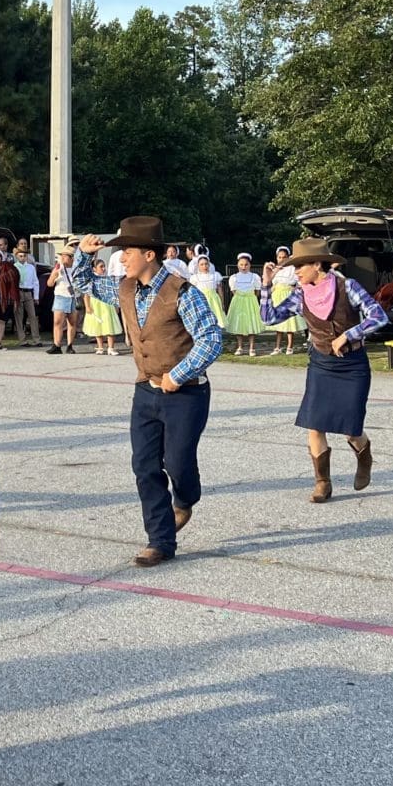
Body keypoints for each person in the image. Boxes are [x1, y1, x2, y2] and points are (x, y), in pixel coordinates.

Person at [74, 217, 223, 566]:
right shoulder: (124, 288)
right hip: (146, 391)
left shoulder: (182, 291)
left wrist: (179, 373)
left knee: (178, 464)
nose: (122, 259)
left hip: (186, 394)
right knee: (144, 466)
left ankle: (185, 499)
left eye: (127, 251)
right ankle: (160, 540)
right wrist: (82, 254)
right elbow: (83, 282)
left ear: (149, 255)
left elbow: (212, 338)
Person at [260, 239, 388, 502]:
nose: (296, 272)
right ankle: (322, 483)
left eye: (300, 266)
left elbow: (379, 316)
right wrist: (266, 285)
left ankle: (364, 456)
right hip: (321, 364)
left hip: (353, 366)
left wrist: (349, 335)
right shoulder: (299, 294)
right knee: (315, 425)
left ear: (317, 265)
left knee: (351, 429)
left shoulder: (347, 286)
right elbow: (268, 318)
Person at [268, 245, 306, 355]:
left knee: (289, 323)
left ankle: (290, 346)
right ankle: (277, 347)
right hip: (277, 295)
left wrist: (294, 288)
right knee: (278, 323)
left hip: (287, 293)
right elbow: (271, 282)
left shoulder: (292, 269)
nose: (281, 259)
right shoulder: (275, 269)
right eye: (279, 257)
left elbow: (299, 280)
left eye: (284, 257)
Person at [226, 252, 264, 355]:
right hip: (238, 301)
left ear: (249, 265)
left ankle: (252, 347)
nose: (244, 267)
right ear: (238, 265)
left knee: (251, 323)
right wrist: (240, 296)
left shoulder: (254, 277)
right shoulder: (234, 277)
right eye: (241, 264)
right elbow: (233, 291)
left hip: (250, 300)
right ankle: (240, 346)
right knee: (239, 323)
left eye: (246, 264)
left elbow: (257, 291)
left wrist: (250, 297)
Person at [82, 258, 122, 354]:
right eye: (101, 267)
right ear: (94, 269)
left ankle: (111, 347)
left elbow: (114, 292)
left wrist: (116, 305)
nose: (103, 268)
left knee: (109, 324)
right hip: (95, 304)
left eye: (104, 266)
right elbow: (86, 294)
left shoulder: (108, 279)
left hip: (107, 304)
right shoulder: (91, 280)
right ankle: (100, 347)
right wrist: (87, 306)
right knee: (97, 324)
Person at [45, 238, 78, 354]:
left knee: (72, 322)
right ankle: (57, 345)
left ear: (71, 258)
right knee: (58, 322)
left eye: (65, 256)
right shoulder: (58, 268)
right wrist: (54, 275)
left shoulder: (76, 269)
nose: (62, 258)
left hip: (73, 297)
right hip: (60, 295)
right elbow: (49, 284)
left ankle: (70, 345)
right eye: (62, 256)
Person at [13, 242, 42, 347]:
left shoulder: (31, 267)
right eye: (20, 255)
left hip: (28, 292)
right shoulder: (14, 267)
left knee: (33, 316)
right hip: (18, 292)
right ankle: (22, 340)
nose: (22, 257)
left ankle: (36, 339)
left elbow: (36, 282)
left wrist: (36, 297)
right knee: (19, 316)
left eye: (24, 255)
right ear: (16, 256)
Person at [190, 255, 226, 328]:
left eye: (206, 264)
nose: (204, 266)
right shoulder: (195, 278)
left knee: (216, 320)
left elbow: (220, 290)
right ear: (198, 266)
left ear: (209, 265)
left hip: (214, 300)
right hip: (201, 301)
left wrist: (222, 302)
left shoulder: (215, 275)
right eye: (202, 264)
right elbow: (192, 292)